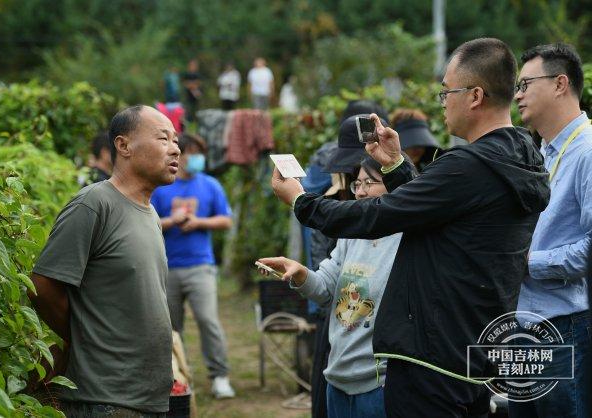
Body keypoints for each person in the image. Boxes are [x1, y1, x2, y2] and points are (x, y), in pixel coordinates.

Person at [271, 38, 551, 417]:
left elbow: (377, 215)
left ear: (475, 96)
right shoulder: (520, 160)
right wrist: (397, 166)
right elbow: (441, 215)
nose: (443, 102)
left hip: (431, 361)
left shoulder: (468, 166)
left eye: (446, 92)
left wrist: (302, 202)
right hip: (473, 352)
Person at [29, 105, 180, 416]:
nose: (175, 148)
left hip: (146, 397)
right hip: (106, 399)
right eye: (163, 139)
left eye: (176, 140)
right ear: (123, 145)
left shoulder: (150, 213)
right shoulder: (94, 204)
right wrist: (82, 335)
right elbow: (42, 286)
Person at [259, 156, 410, 418]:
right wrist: (300, 274)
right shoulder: (352, 234)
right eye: (357, 184)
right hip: (337, 378)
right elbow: (326, 290)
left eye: (369, 183)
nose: (360, 191)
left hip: (380, 385)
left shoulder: (408, 241)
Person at [511, 43, 592, 418]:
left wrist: (530, 263)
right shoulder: (541, 152)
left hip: (563, 326)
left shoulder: (587, 149)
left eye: (526, 84)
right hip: (522, 324)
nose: (517, 95)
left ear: (560, 84)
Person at [150, 133, 235, 399]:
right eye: (190, 152)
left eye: (199, 153)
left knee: (208, 321)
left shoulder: (210, 185)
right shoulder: (162, 186)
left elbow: (226, 221)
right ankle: (176, 377)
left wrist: (199, 222)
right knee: (171, 328)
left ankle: (219, 376)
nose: (195, 158)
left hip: (201, 266)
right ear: (178, 155)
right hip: (167, 267)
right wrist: (172, 220)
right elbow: (147, 222)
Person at [389, 108, 442, 172]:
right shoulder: (384, 172)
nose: (417, 148)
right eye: (409, 140)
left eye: (422, 140)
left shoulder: (433, 171)